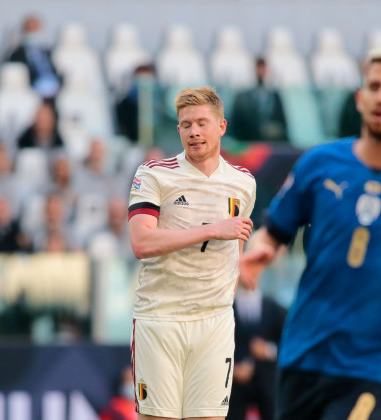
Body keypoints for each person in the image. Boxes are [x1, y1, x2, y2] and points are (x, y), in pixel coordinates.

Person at [240, 46, 381, 420]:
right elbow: (274, 233)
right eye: (375, 86)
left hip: (375, 360)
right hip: (306, 350)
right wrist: (260, 251)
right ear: (360, 98)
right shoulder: (319, 164)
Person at [128, 86, 256, 420]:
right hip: (162, 317)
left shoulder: (244, 183)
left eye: (202, 122)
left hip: (214, 320)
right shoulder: (154, 174)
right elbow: (141, 243)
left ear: (221, 126)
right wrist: (213, 229)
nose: (194, 131)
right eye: (186, 125)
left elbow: (235, 249)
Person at [227, 285, 288, 420]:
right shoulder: (228, 309)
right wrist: (233, 370)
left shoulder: (273, 307)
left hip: (267, 384)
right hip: (236, 387)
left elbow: (288, 341)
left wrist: (268, 350)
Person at [230, 57, 288, 142]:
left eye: (262, 68)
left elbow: (282, 123)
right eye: (258, 68)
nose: (260, 72)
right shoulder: (243, 97)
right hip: (249, 142)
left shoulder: (274, 96)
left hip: (270, 144)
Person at [6, 14, 61, 99]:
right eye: (30, 29)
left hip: (54, 86)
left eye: (35, 29)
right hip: (32, 87)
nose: (33, 33)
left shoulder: (49, 51)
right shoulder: (17, 54)